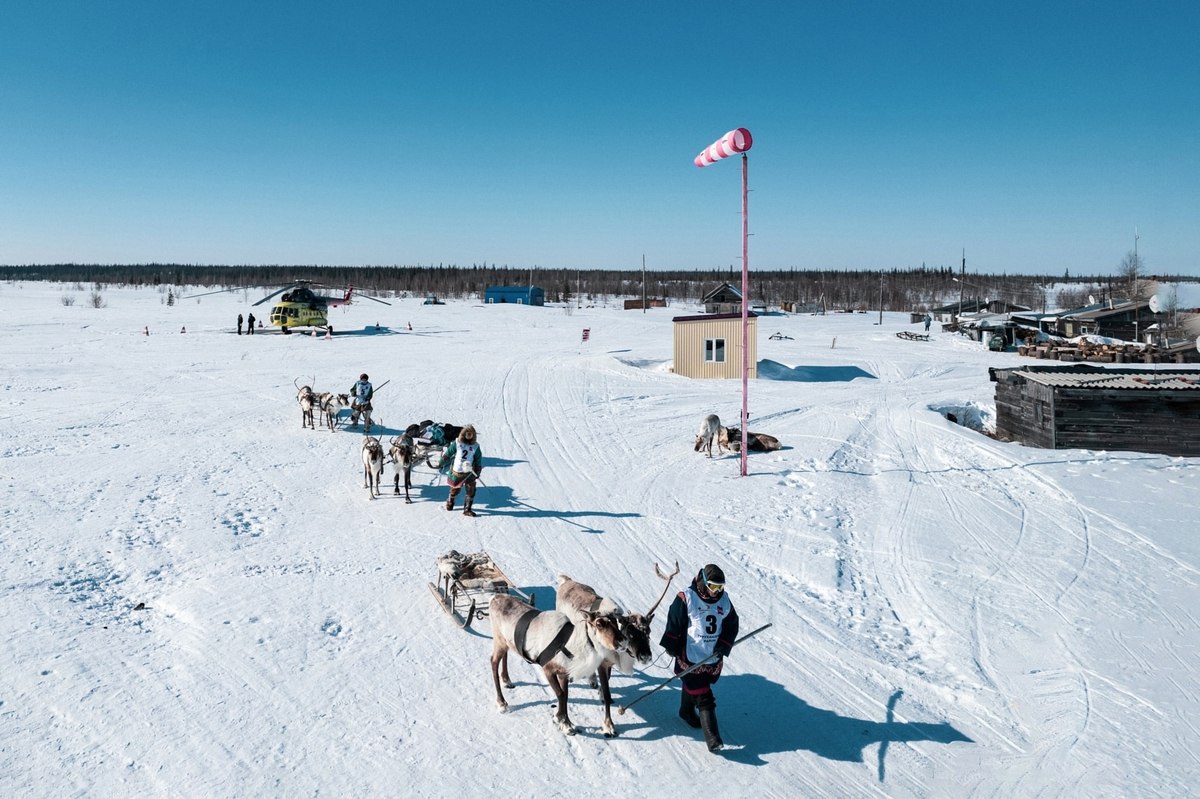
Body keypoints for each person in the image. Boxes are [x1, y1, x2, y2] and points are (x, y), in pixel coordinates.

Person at [659, 564, 740, 753]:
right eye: (713, 586)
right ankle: (713, 739)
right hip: (691, 655)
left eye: (720, 587)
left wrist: (724, 644)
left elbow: (732, 624)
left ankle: (686, 711)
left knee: (698, 685)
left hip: (711, 656)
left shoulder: (724, 601)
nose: (716, 591)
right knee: (704, 696)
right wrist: (672, 644)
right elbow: (674, 622)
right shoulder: (687, 598)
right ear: (703, 582)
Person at [440, 425, 482, 516]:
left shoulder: (475, 446)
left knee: (471, 489)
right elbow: (449, 452)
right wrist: (442, 460)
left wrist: (478, 471)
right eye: (467, 434)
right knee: (455, 488)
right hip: (457, 471)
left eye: (470, 434)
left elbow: (478, 459)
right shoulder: (458, 443)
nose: (469, 436)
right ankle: (450, 502)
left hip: (469, 471)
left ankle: (467, 509)